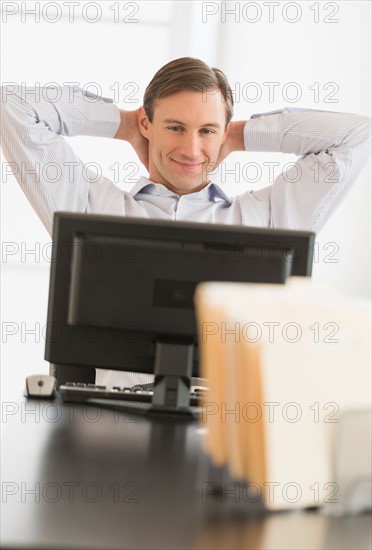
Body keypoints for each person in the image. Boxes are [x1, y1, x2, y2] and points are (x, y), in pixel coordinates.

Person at [1, 57, 371, 387]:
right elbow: (11, 104)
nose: (191, 150)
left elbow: (356, 136)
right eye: (175, 127)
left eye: (206, 130)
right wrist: (124, 124)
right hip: (116, 433)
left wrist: (240, 135)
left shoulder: (268, 219)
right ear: (148, 123)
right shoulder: (91, 207)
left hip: (222, 435)